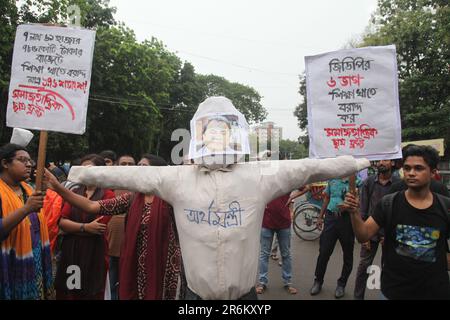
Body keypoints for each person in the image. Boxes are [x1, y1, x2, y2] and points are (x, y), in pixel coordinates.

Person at [67, 96, 370, 300]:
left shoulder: (258, 176)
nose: (215, 139)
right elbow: (127, 176)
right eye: (209, 133)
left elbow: (307, 168)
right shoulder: (177, 179)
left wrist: (351, 162)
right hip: (196, 296)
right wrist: (79, 173)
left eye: (222, 132)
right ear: (198, 138)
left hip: (245, 298)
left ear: (234, 136)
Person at [45, 154, 184, 300]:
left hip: (163, 269)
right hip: (135, 268)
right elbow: (91, 206)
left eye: (144, 167)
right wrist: (58, 188)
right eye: (139, 167)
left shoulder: (171, 198)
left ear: (158, 171)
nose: (138, 170)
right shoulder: (131, 198)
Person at [343, 145, 450, 299]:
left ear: (433, 172)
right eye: (407, 168)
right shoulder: (388, 203)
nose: (411, 173)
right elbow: (363, 235)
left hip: (435, 292)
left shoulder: (445, 207)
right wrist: (354, 212)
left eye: (419, 168)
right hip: (393, 291)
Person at [54, 154, 115, 300]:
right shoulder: (75, 192)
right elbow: (62, 222)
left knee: (91, 290)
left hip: (94, 250)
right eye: (83, 168)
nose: (86, 172)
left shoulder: (108, 195)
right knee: (69, 290)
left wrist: (73, 227)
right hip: (71, 250)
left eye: (90, 168)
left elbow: (99, 226)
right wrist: (85, 227)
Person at [0, 143, 53, 299]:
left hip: (34, 260)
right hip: (9, 264)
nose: (29, 164)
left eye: (30, 160)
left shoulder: (29, 189)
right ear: (5, 163)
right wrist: (25, 209)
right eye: (22, 160)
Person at [353, 159, 400, 300]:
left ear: (392, 163)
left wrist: (391, 234)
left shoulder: (399, 184)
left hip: (390, 233)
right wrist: (364, 236)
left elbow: (400, 211)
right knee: (364, 266)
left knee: (390, 268)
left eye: (385, 160)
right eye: (379, 160)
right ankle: (358, 297)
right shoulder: (369, 182)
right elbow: (363, 210)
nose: (381, 162)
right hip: (370, 230)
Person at [310, 176, 361, 299]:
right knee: (324, 252)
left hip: (347, 220)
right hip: (331, 218)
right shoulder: (333, 180)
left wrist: (350, 205)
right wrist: (320, 217)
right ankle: (318, 281)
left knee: (348, 255)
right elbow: (327, 198)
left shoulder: (356, 182)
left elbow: (359, 202)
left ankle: (341, 284)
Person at [106, 154, 136, 300]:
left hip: (133, 244)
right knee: (111, 279)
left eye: (131, 164)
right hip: (111, 242)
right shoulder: (107, 184)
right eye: (123, 164)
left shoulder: (140, 186)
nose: (127, 167)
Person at [256, 194, 297, 295]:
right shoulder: (264, 180)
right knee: (264, 254)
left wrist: (291, 198)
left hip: (284, 223)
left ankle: (288, 282)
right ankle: (262, 282)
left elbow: (305, 187)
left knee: (286, 254)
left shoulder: (286, 180)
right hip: (266, 223)